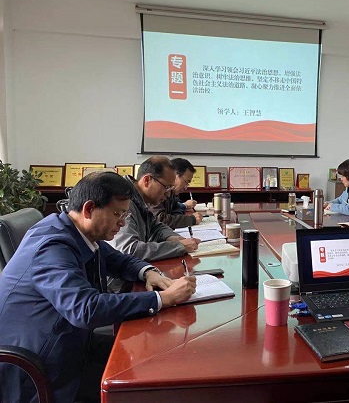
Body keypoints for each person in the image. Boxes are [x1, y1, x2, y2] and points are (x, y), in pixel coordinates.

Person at [0, 172, 197, 403]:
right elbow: (86, 309)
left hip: (70, 340)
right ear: (89, 209)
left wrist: (148, 272)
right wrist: (162, 298)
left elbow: (118, 259)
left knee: (153, 359)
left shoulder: (74, 230)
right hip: (37, 367)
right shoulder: (51, 246)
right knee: (144, 379)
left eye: (125, 214)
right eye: (117, 214)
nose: (122, 222)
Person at [108, 156, 200, 292]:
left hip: (135, 275)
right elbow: (129, 250)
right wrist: (179, 246)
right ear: (147, 180)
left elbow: (156, 226)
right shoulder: (124, 201)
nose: (168, 194)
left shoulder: (140, 199)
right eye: (166, 187)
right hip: (117, 288)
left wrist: (175, 238)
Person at [150, 157, 203, 229]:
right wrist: (192, 219)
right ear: (175, 175)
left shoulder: (172, 192)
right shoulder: (158, 189)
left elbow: (177, 210)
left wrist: (178, 219)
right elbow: (160, 219)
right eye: (186, 182)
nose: (186, 187)